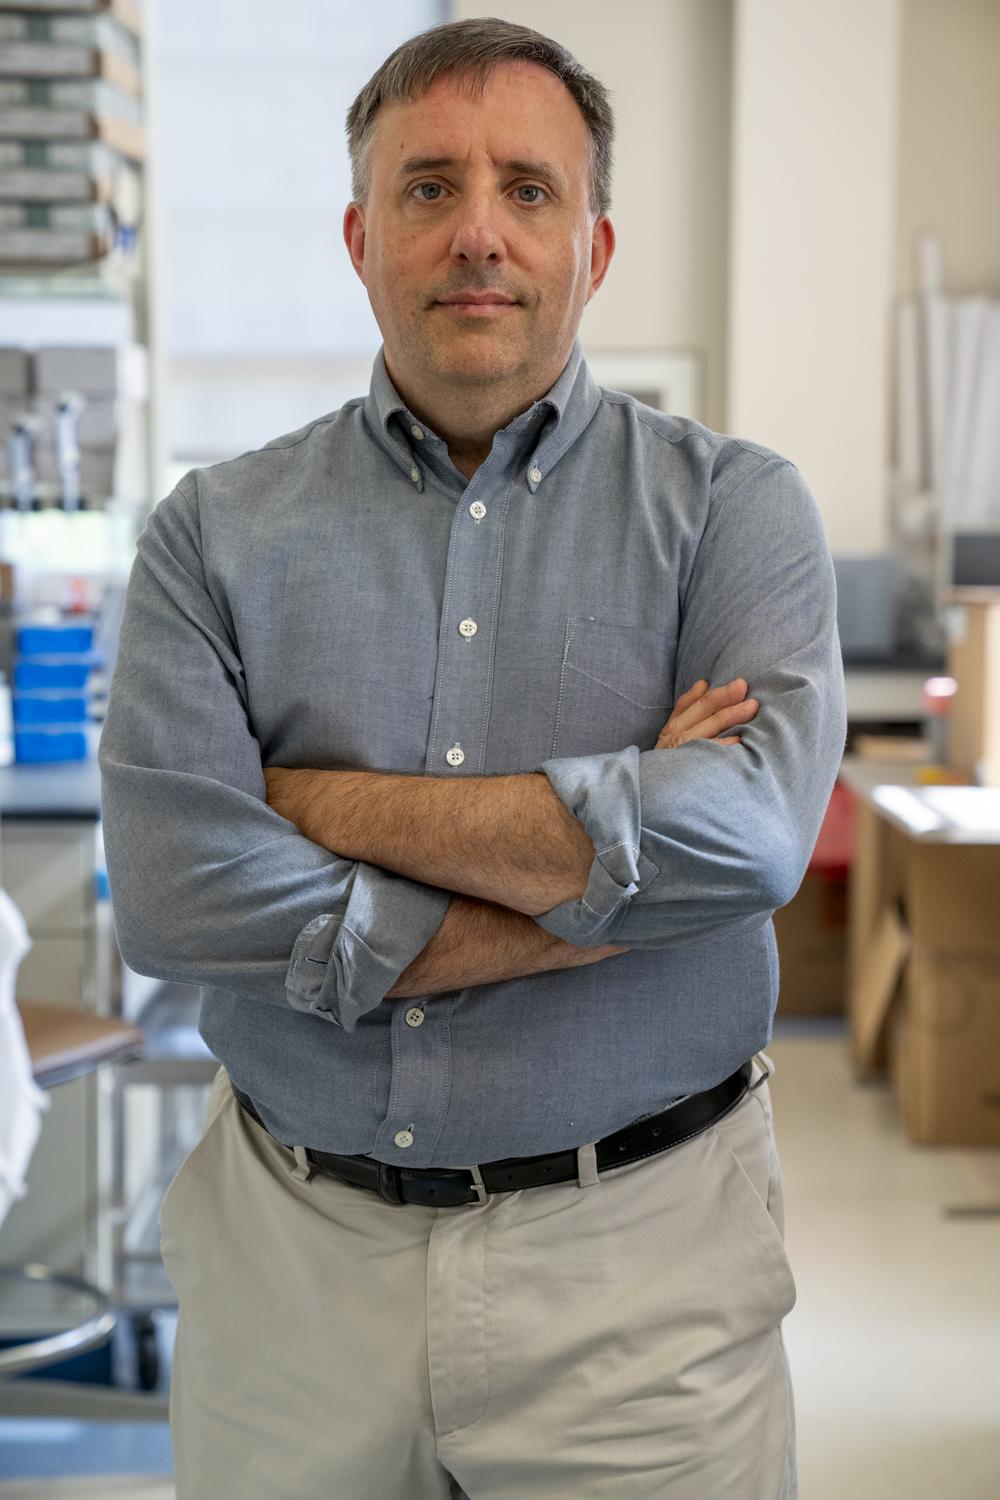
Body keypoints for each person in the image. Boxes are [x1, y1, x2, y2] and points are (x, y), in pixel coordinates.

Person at [100, 17, 845, 1499]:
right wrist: (602, 889)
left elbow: (749, 843)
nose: (478, 235)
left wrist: (309, 805)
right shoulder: (213, 532)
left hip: (639, 1277)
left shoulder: (736, 513)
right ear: (361, 235)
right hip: (292, 1271)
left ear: (599, 243)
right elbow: (180, 896)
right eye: (429, 188)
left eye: (529, 188)